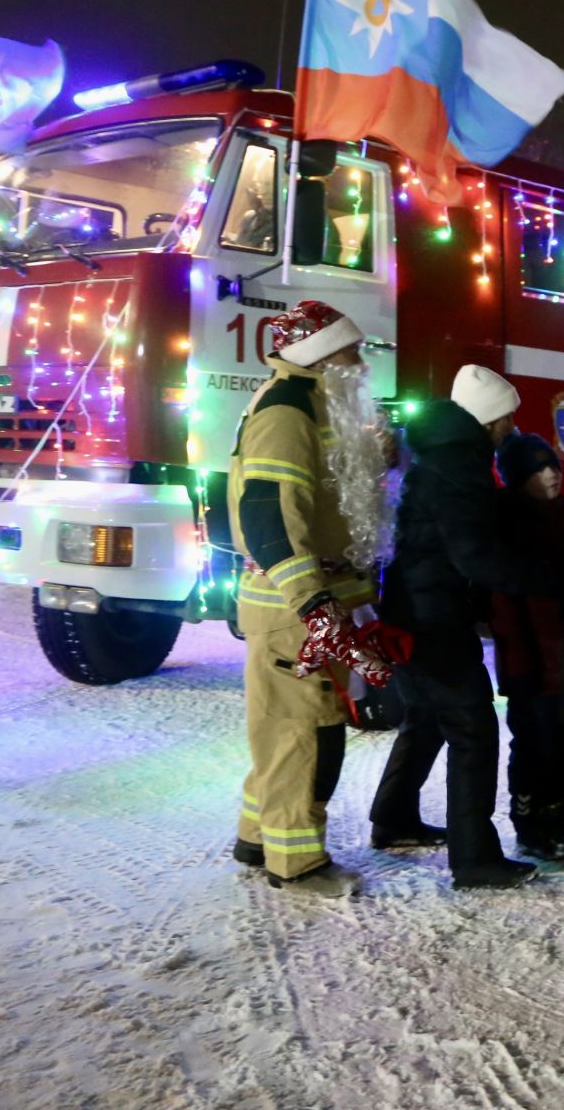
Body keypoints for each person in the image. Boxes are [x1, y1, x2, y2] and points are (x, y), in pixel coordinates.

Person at [229, 301, 397, 897]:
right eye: (350, 350)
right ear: (322, 354)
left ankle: (259, 836)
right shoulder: (285, 410)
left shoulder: (317, 402)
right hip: (293, 611)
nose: (359, 361)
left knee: (290, 732)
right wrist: (311, 604)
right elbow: (269, 513)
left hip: (315, 604)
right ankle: (295, 865)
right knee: (302, 736)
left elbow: (327, 494)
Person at [370, 365, 544, 890]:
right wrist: (539, 580)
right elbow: (473, 554)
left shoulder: (439, 458)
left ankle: (393, 815)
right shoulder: (458, 468)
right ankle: (474, 858)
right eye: (507, 416)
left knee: (424, 718)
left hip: (411, 613)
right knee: (473, 728)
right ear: (488, 419)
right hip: (435, 620)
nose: (511, 426)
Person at [490, 432, 564, 860]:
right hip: (532, 662)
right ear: (518, 477)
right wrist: (519, 668)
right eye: (538, 468)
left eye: (553, 464)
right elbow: (505, 607)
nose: (551, 473)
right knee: (534, 743)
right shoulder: (510, 527)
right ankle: (530, 823)